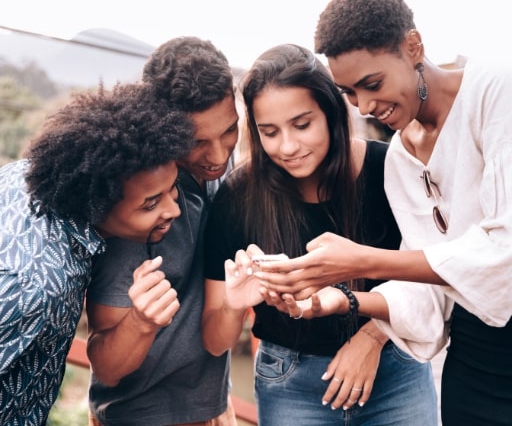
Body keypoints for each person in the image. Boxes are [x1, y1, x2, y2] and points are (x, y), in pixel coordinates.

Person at [253, 0, 512, 426]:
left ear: (413, 46)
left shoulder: (496, 92)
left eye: (372, 84)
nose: (367, 106)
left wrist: (364, 259)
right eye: (351, 94)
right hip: (476, 352)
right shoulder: (400, 158)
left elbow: (503, 255)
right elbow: (434, 294)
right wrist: (340, 300)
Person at [201, 43, 437, 426]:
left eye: (302, 124)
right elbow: (215, 342)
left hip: (395, 369)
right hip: (290, 384)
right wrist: (234, 305)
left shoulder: (388, 169)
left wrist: (372, 338)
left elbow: (433, 278)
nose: (288, 147)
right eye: (270, 132)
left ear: (330, 113)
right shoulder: (237, 195)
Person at [0, 82, 193, 426]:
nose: (173, 210)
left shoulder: (23, 174)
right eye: (150, 204)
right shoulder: (40, 286)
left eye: (172, 189)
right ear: (97, 205)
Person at [87, 36, 240, 426]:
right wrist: (140, 321)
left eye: (229, 132)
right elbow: (106, 365)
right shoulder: (138, 207)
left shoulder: (216, 168)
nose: (219, 156)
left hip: (212, 406)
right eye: (197, 142)